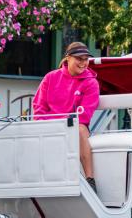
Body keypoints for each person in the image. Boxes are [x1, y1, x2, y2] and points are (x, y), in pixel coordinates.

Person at [32, 42, 100, 191]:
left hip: (74, 127)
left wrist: (57, 120)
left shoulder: (91, 83)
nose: (83, 63)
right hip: (49, 126)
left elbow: (83, 116)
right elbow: (38, 110)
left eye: (86, 59)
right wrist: (51, 123)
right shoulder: (50, 78)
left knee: (81, 129)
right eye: (79, 59)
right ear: (68, 58)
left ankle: (90, 180)